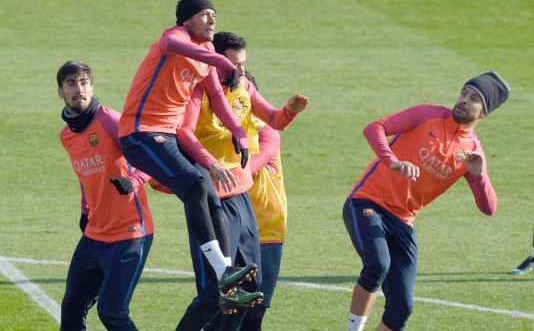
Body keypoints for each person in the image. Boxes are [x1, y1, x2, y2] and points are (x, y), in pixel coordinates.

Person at [117, 0, 259, 308]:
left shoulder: (205, 51)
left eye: (214, 15)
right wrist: (219, 59)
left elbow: (217, 97)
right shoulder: (174, 37)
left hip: (165, 137)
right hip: (140, 133)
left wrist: (239, 133)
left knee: (210, 195)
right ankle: (223, 271)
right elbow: (171, 47)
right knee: (195, 184)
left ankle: (227, 282)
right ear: (187, 19)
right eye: (205, 14)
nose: (212, 20)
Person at [342, 71, 510, 331]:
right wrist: (393, 162)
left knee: (402, 309)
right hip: (368, 202)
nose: (464, 99)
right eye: (464, 92)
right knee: (377, 266)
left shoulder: (473, 153)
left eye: (474, 98)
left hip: (403, 221)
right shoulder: (427, 114)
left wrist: (479, 177)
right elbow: (374, 128)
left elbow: (489, 208)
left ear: (484, 113)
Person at [175, 31, 309, 331]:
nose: (242, 71)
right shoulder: (198, 92)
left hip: (240, 195)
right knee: (214, 293)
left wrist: (291, 111)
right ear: (217, 61)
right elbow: (183, 133)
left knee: (250, 286)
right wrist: (210, 164)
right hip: (212, 201)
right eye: (236, 65)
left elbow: (275, 121)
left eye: (244, 64)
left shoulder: (244, 87)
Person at [57, 60, 154, 330]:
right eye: (72, 83)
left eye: (84, 82)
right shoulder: (67, 135)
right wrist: (85, 209)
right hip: (95, 235)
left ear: (92, 86)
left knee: (112, 311)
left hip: (130, 234)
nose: (79, 89)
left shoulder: (110, 121)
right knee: (72, 305)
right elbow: (84, 175)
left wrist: (133, 180)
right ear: (60, 92)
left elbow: (153, 159)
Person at [240, 73, 288, 331]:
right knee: (223, 311)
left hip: (267, 231)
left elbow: (249, 168)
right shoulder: (214, 129)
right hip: (232, 231)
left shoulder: (266, 132)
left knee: (254, 315)